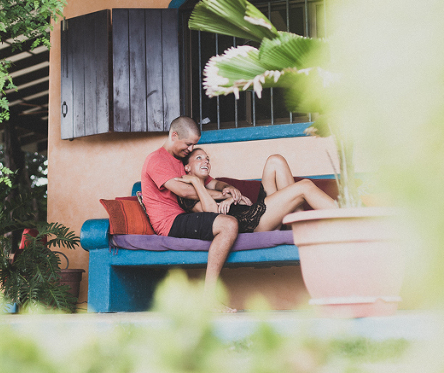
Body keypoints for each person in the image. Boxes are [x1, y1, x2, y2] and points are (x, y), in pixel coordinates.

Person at [140, 116, 242, 311]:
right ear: (174, 135)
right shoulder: (156, 159)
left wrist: (227, 187)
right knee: (228, 224)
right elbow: (184, 191)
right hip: (170, 223)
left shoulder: (182, 161)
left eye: (194, 145)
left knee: (234, 218)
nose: (190, 149)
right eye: (188, 144)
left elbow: (212, 182)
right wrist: (221, 195)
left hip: (186, 216)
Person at [176, 148, 337, 233]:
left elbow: (227, 189)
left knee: (275, 160)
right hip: (254, 225)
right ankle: (349, 219)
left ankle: (295, 224)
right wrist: (196, 182)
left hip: (255, 212)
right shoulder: (187, 194)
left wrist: (232, 196)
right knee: (305, 186)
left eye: (207, 159)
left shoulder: (211, 184)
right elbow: (211, 212)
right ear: (187, 167)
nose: (205, 161)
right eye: (199, 158)